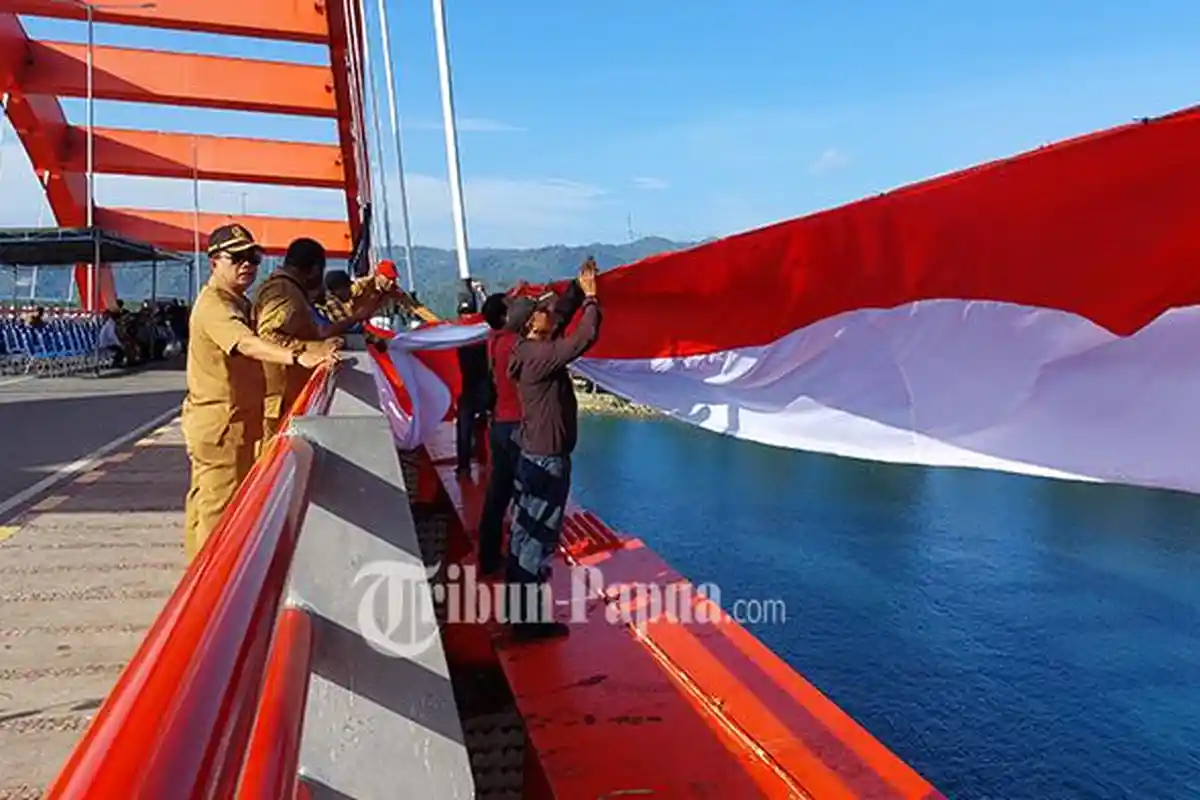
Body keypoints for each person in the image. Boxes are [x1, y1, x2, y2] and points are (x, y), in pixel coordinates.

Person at [182, 224, 335, 561]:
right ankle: (212, 585)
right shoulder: (215, 307)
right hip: (223, 424)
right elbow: (248, 343)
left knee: (206, 500)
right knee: (218, 509)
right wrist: (300, 356)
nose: (247, 265)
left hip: (232, 421)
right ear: (213, 262)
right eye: (236, 257)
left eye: (253, 256)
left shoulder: (236, 300)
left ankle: (200, 574)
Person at [505, 258, 602, 639]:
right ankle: (530, 625)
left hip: (533, 454)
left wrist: (578, 289)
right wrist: (592, 300)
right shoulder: (540, 358)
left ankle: (517, 614)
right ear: (532, 324)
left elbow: (560, 318)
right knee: (538, 539)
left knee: (522, 536)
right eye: (542, 311)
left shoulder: (528, 348)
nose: (550, 311)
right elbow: (583, 338)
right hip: (547, 459)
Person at [254, 238, 376, 438]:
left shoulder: (287, 289)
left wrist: (320, 343)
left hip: (285, 393)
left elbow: (312, 332)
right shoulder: (285, 293)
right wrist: (311, 350)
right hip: (280, 395)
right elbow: (267, 337)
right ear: (315, 270)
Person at [476, 292, 529, 574]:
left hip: (499, 425)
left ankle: (488, 557)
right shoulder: (516, 344)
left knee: (498, 494)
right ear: (504, 317)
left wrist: (514, 297)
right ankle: (522, 562)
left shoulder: (493, 341)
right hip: (518, 427)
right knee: (525, 496)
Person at [455, 292, 493, 477]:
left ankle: (465, 466)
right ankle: (475, 462)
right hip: (479, 386)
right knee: (482, 422)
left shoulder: (459, 332)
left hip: (475, 387)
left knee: (465, 424)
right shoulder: (482, 330)